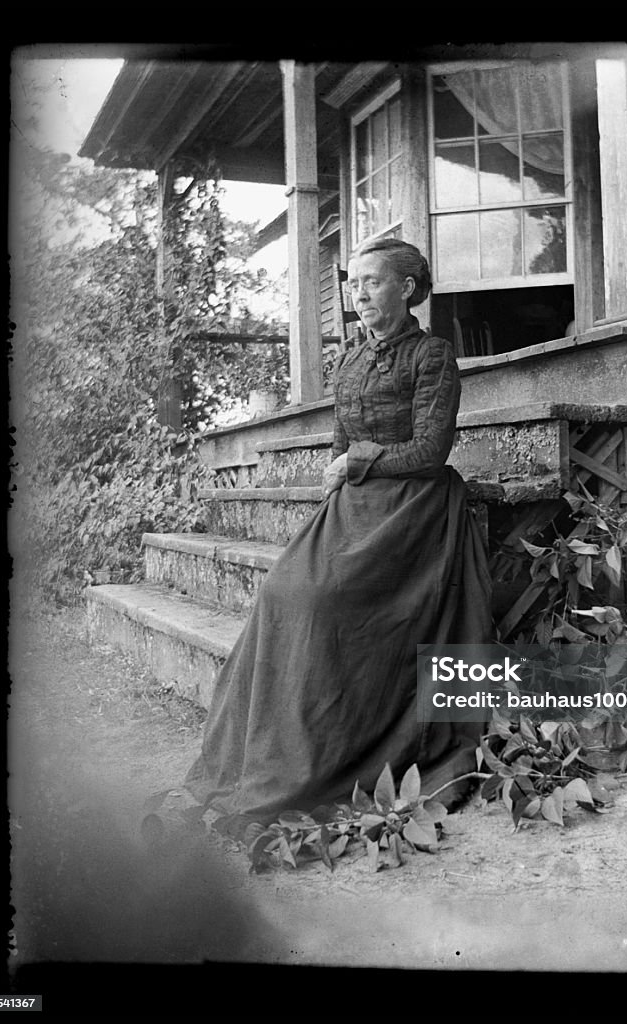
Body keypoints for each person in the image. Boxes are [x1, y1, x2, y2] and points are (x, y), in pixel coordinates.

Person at [184, 237, 492, 823]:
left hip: (417, 507)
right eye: (354, 284)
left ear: (406, 289)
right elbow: (341, 441)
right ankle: (278, 749)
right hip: (355, 502)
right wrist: (339, 480)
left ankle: (339, 747)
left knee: (325, 602)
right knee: (282, 591)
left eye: (372, 282)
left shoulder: (431, 355)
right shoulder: (349, 358)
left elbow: (432, 449)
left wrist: (358, 463)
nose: (359, 295)